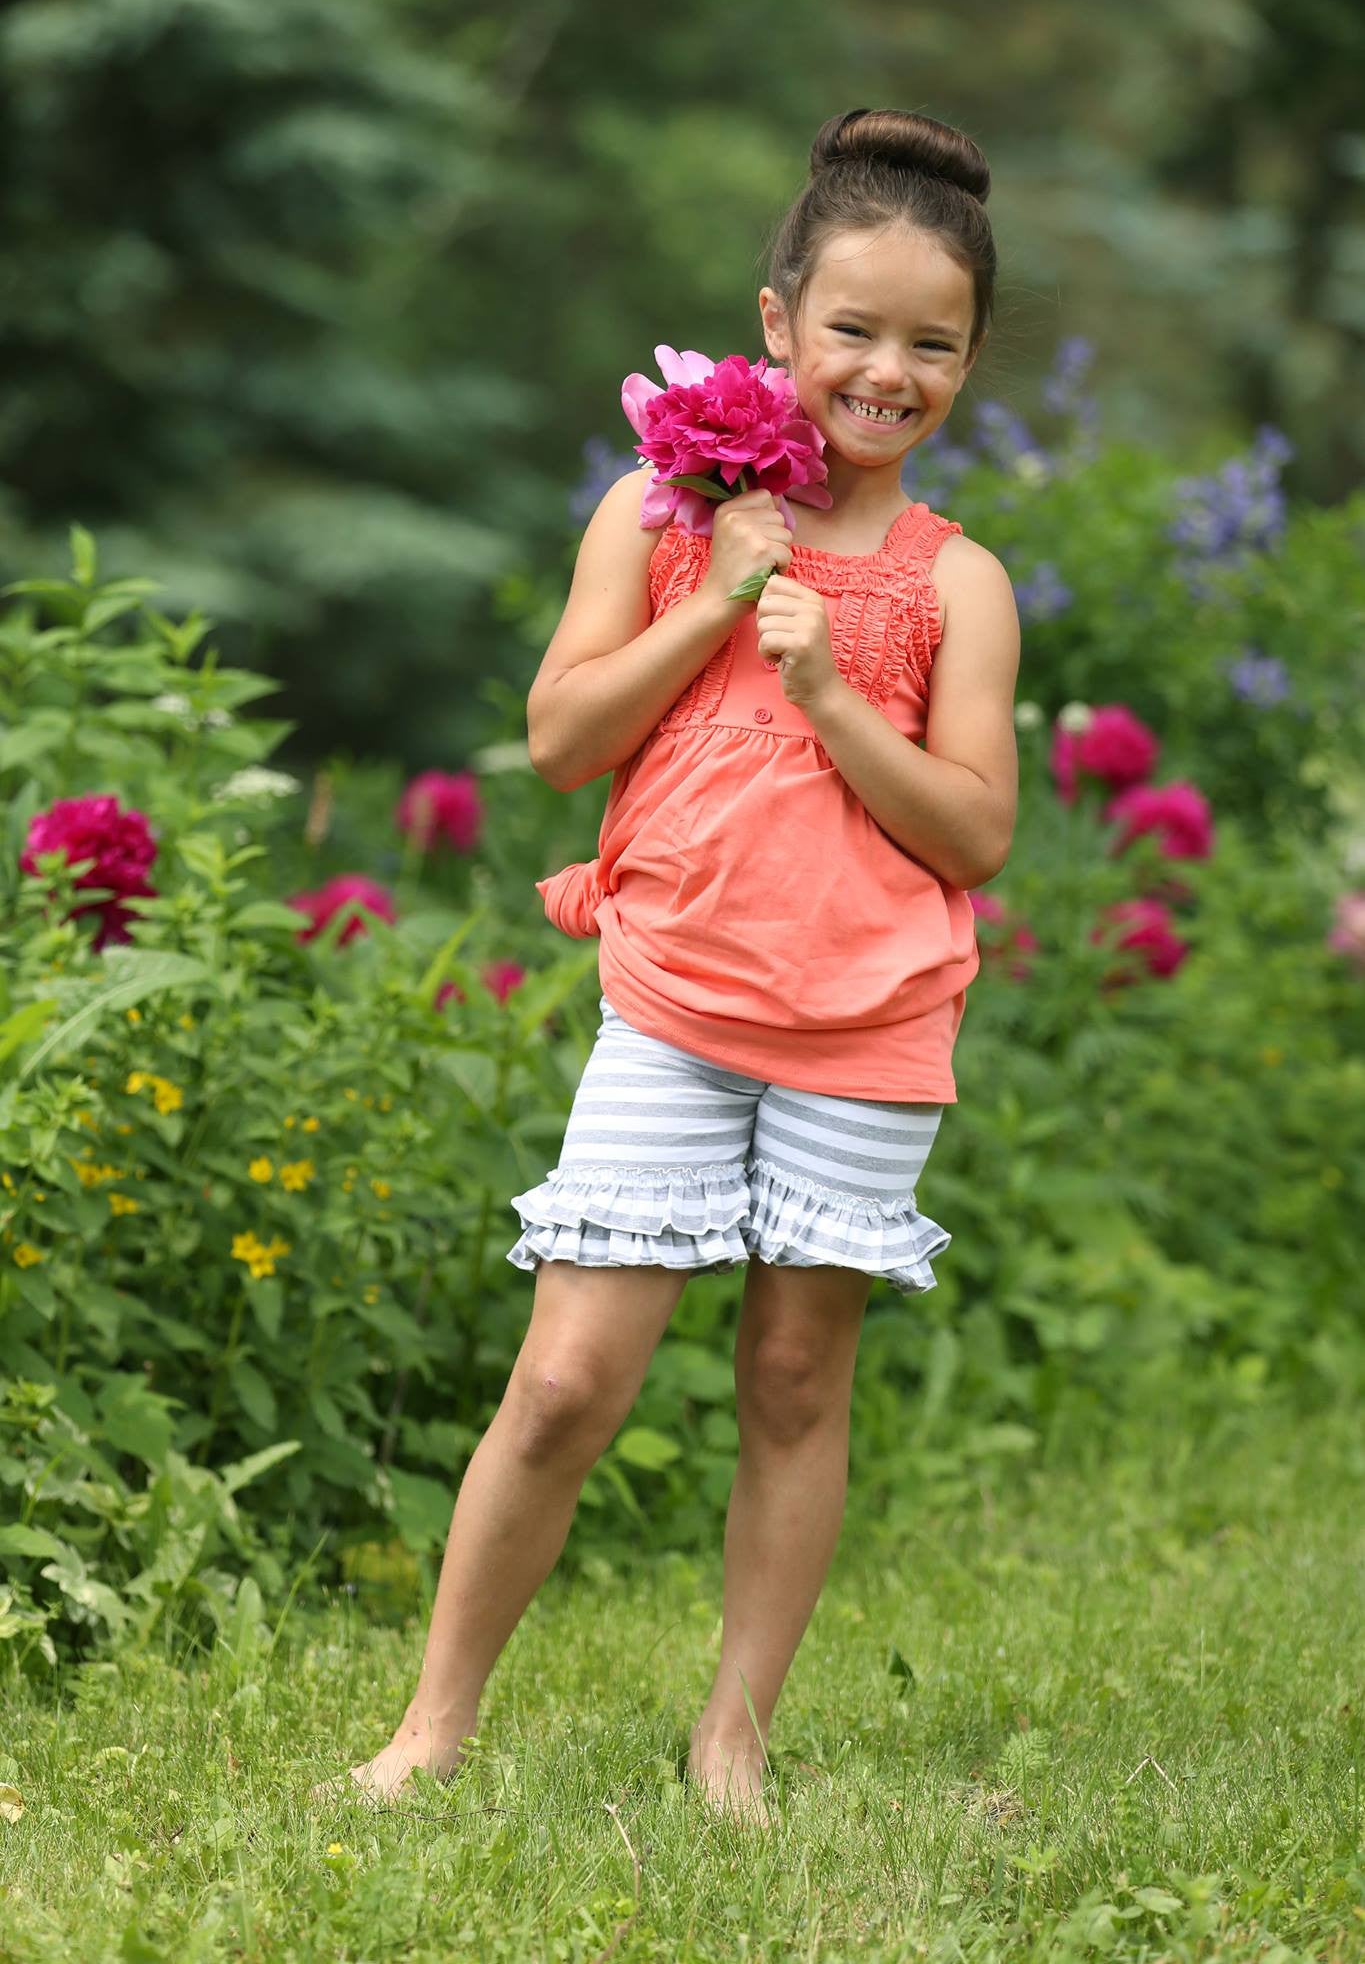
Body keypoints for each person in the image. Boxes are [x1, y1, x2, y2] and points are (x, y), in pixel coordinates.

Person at [334, 106, 1020, 1825]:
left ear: (968, 366)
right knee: (567, 1378)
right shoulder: (653, 522)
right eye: (851, 328)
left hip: (867, 1023)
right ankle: (430, 1731)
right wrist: (713, 601)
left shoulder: (960, 584)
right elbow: (560, 741)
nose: (885, 370)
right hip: (677, 999)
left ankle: (731, 1738)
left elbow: (975, 837)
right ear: (774, 320)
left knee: (795, 1375)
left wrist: (833, 689)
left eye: (929, 344)